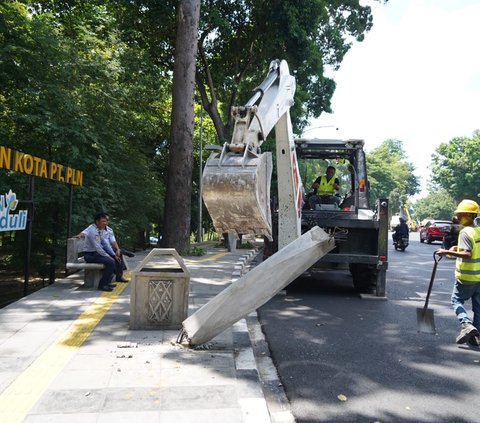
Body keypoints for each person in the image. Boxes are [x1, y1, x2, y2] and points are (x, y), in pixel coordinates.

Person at [437, 199, 480, 346]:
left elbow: (467, 253)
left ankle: (466, 324)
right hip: (479, 277)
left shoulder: (465, 232)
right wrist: (456, 250)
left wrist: (446, 251)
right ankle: (475, 336)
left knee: (456, 300)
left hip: (466, 276)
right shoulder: (478, 231)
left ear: (469, 215)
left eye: (461, 215)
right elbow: (474, 251)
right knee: (478, 306)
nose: (458, 218)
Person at [80, 212, 116, 292]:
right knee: (110, 262)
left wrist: (113, 255)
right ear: (97, 222)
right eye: (103, 221)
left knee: (114, 259)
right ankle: (102, 285)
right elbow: (98, 247)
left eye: (106, 221)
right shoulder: (93, 231)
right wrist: (108, 256)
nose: (105, 223)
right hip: (90, 255)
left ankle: (107, 282)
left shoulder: (99, 230)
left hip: (95, 254)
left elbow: (104, 243)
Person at [104, 214, 128, 283]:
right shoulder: (96, 229)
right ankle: (124, 252)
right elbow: (85, 232)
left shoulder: (109, 230)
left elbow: (113, 241)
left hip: (109, 249)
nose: (106, 222)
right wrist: (80, 235)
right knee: (115, 257)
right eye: (104, 220)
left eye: (107, 220)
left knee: (119, 253)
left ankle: (119, 277)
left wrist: (118, 249)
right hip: (102, 250)